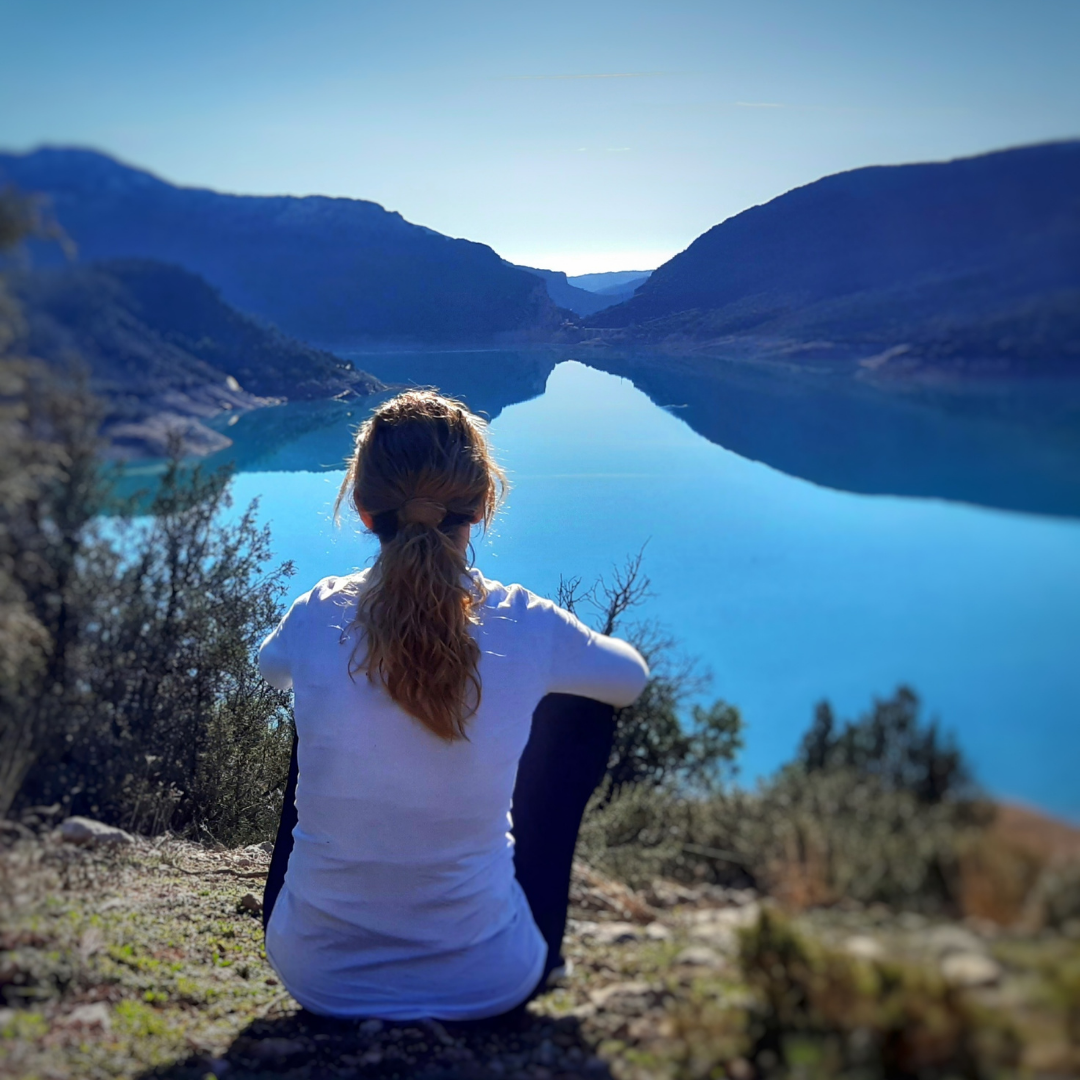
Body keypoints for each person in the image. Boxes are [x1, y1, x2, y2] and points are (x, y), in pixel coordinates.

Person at [257, 390, 649, 1022]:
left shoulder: (319, 610)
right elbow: (629, 678)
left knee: (321, 699)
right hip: (490, 979)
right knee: (580, 709)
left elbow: (269, 670)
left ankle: (333, 917)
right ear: (484, 504)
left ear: (363, 511)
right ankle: (541, 948)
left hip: (316, 976)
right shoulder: (525, 622)